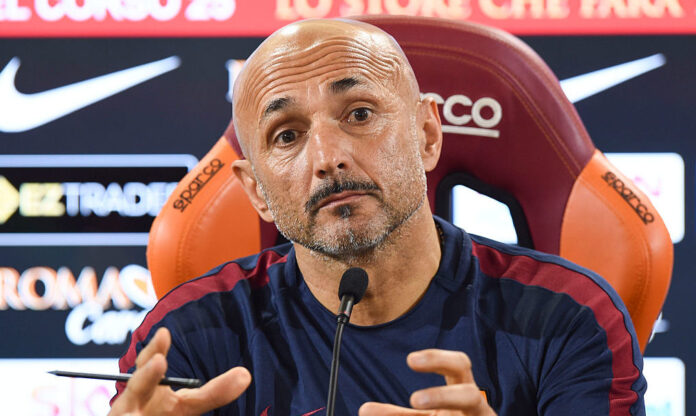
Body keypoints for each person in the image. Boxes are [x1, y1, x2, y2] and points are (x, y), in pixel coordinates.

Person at [109, 18, 646, 416]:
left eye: (359, 114)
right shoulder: (188, 338)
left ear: (427, 135)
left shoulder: (568, 318)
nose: (328, 158)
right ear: (257, 191)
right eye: (287, 135)